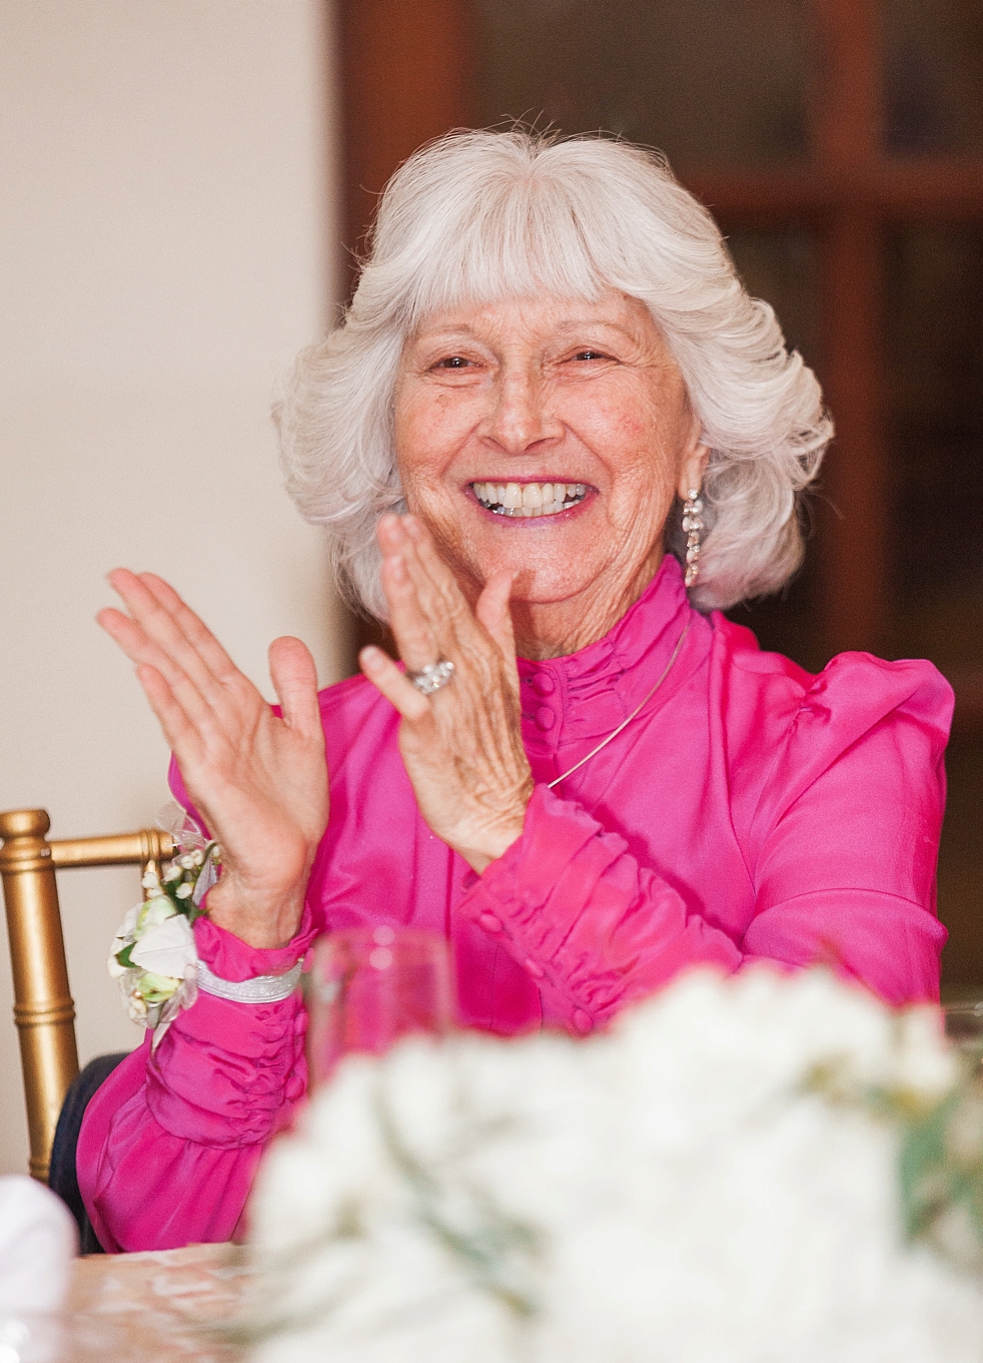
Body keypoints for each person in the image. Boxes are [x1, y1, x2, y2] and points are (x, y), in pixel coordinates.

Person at [77, 131, 951, 1253]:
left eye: (586, 354)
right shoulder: (309, 771)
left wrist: (511, 827)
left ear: (694, 439)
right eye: (454, 362)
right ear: (392, 443)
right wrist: (260, 908)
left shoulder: (829, 748)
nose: (518, 418)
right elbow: (166, 1251)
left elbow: (846, 1154)